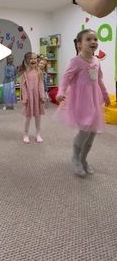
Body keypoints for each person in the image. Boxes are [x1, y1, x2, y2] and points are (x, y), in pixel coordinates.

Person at [56, 29, 110, 177]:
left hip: (94, 100)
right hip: (81, 101)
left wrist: (105, 95)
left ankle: (84, 159)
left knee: (92, 133)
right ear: (79, 44)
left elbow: (99, 80)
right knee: (84, 131)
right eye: (89, 39)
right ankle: (75, 158)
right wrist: (61, 92)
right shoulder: (75, 61)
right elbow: (66, 78)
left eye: (95, 39)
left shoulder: (97, 61)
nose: (93, 41)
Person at [21, 52, 45, 143]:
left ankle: (38, 134)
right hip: (29, 98)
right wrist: (25, 97)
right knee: (28, 117)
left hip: (37, 97)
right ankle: (26, 134)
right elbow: (23, 86)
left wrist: (42, 96)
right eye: (31, 59)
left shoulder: (39, 72)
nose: (33, 60)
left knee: (38, 117)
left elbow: (41, 84)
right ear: (27, 61)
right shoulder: (25, 73)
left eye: (35, 58)